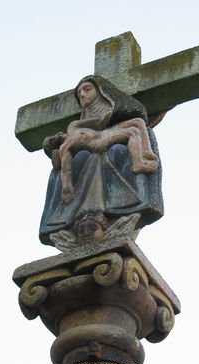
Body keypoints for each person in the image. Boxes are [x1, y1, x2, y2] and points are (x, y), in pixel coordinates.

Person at [40, 75, 164, 247]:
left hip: (103, 136)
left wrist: (111, 114)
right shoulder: (72, 132)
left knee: (136, 124)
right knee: (134, 129)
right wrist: (67, 185)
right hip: (99, 142)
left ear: (101, 92)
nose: (82, 94)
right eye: (79, 92)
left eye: (87, 89)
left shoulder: (79, 128)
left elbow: (99, 124)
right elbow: (64, 161)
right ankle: (140, 161)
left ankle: (142, 159)